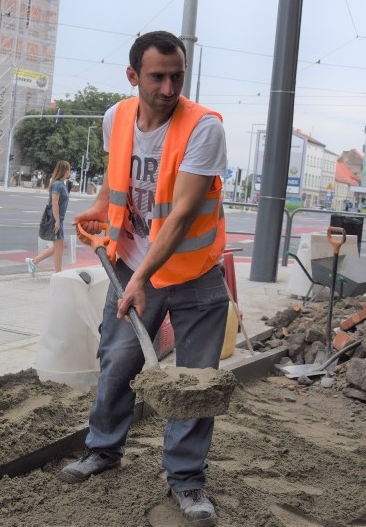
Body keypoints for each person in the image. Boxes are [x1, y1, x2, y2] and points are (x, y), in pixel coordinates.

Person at [60, 31, 229, 527]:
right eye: (157, 76)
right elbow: (121, 185)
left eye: (177, 76)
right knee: (116, 361)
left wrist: (140, 281)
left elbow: (178, 218)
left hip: (195, 273)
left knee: (195, 382)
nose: (169, 86)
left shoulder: (204, 128)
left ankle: (186, 481)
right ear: (133, 76)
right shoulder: (117, 117)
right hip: (134, 265)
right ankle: (103, 450)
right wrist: (98, 209)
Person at [25, 160, 71, 276]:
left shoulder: (62, 184)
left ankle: (34, 261)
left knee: (58, 246)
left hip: (59, 218)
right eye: (68, 169)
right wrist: (57, 221)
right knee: (59, 246)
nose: (69, 171)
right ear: (64, 170)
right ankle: (58, 273)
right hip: (55, 218)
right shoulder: (57, 184)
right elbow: (54, 203)